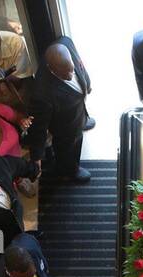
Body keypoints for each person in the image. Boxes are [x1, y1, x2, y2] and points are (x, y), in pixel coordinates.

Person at [26, 39, 93, 182]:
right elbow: (38, 126)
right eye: (65, 75)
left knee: (79, 112)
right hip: (65, 128)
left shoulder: (66, 43)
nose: (70, 76)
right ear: (51, 69)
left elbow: (80, 64)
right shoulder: (41, 94)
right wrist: (36, 157)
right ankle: (70, 169)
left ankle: (83, 120)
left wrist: (87, 83)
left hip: (76, 110)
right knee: (69, 147)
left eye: (71, 69)